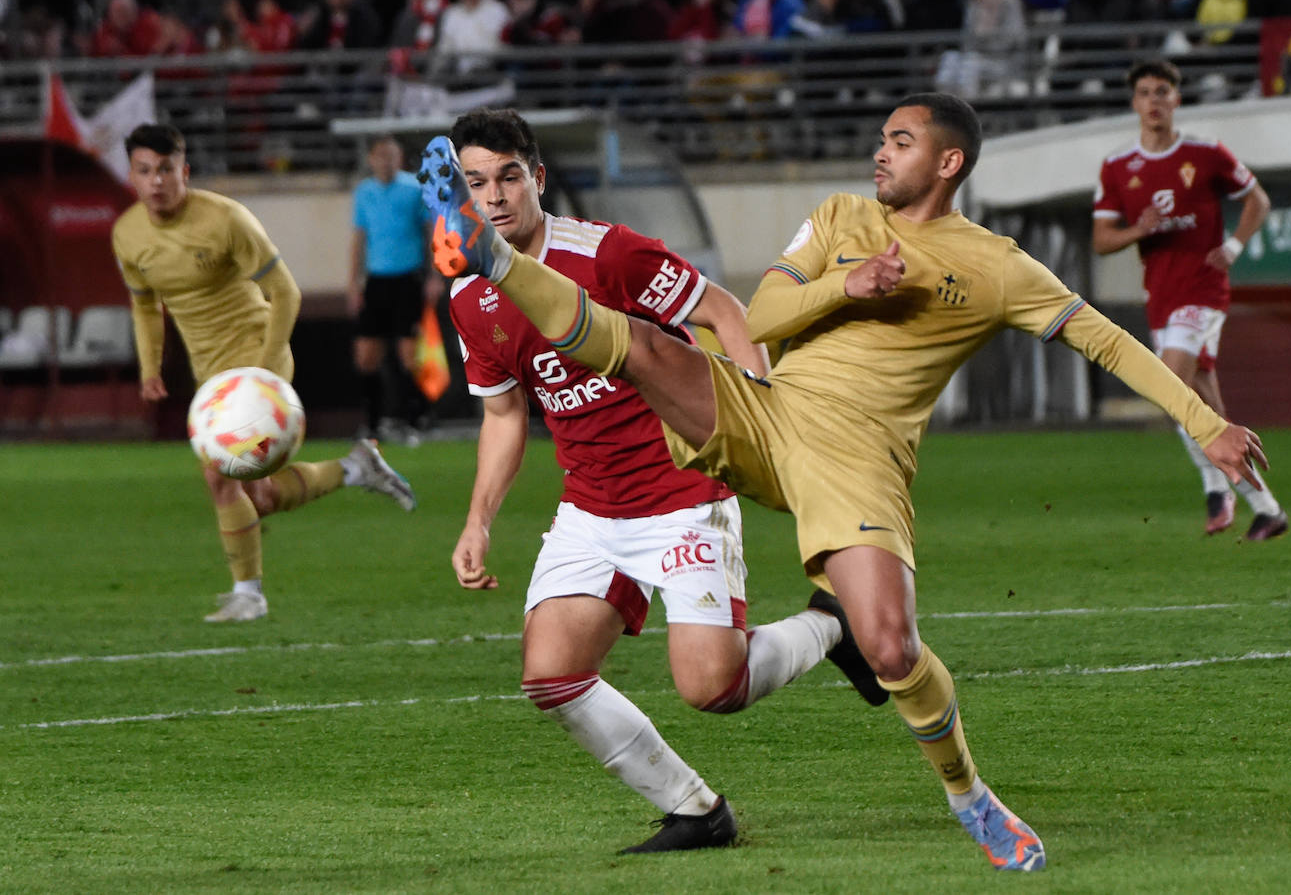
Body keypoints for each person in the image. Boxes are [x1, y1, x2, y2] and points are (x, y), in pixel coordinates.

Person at [418, 92, 1269, 871]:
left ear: (947, 163)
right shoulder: (837, 218)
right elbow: (763, 316)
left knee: (891, 645)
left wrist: (1208, 423)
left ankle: (969, 793)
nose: (878, 153)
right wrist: (847, 283)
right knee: (641, 349)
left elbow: (1109, 342)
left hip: (856, 460)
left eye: (899, 142)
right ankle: (494, 260)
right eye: (880, 138)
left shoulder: (998, 267)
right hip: (765, 413)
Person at [435, 107, 885, 854]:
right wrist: (478, 519)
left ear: (537, 178)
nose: (496, 196)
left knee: (714, 687)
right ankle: (696, 810)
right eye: (476, 182)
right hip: (591, 506)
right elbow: (506, 417)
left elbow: (723, 311)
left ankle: (833, 623)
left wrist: (759, 413)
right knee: (551, 676)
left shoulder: (606, 255)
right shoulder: (468, 297)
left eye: (510, 176)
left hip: (682, 493)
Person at [112, 124, 417, 624]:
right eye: (145, 171)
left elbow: (286, 291)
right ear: (133, 176)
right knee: (261, 496)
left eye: (166, 170)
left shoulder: (226, 218)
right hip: (211, 377)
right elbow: (145, 306)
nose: (157, 181)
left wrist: (267, 368)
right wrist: (150, 368)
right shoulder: (127, 234)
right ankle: (356, 468)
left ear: (183, 171)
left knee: (219, 476)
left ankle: (248, 594)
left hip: (257, 356)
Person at [1093, 60, 1287, 540]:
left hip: (1203, 290)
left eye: (1163, 91)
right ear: (1134, 102)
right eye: (1144, 92)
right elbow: (1100, 239)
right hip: (1161, 293)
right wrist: (1139, 230)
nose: (1154, 101)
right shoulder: (1118, 166)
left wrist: (1235, 246)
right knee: (1201, 397)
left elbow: (1257, 200)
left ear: (1177, 99)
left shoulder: (1205, 154)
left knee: (1170, 383)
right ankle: (1265, 506)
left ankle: (1215, 489)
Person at [347, 134, 443, 443]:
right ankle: (374, 424)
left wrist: (434, 276)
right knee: (365, 355)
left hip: (409, 278)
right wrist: (353, 282)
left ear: (399, 159)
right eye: (381, 156)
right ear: (371, 159)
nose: (386, 161)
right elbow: (359, 239)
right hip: (377, 280)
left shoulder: (415, 189)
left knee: (408, 354)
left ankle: (413, 420)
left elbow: (431, 232)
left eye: (392, 156)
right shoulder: (364, 192)